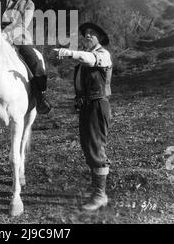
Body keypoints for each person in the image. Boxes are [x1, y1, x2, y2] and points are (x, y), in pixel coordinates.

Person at [54, 22, 112, 211]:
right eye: (85, 33)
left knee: (96, 148)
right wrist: (77, 102)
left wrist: (69, 52)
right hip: (87, 106)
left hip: (98, 105)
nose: (87, 36)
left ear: (100, 38)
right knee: (88, 148)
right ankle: (96, 189)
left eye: (92, 34)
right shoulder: (87, 56)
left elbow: (89, 59)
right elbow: (82, 82)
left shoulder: (103, 54)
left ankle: (100, 195)